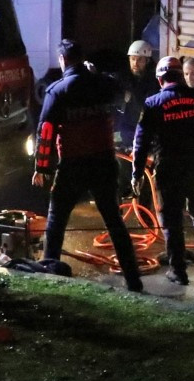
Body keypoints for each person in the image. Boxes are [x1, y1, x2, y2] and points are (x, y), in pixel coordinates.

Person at [32, 39, 142, 292]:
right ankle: (133, 279)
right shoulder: (103, 84)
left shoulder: (58, 90)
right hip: (104, 162)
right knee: (114, 221)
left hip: (73, 164)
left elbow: (46, 130)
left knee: (56, 220)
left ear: (63, 60)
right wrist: (96, 74)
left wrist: (42, 167)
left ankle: (50, 273)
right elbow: (122, 91)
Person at [132, 56, 194, 285]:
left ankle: (178, 271)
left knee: (171, 220)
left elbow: (140, 143)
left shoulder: (153, 103)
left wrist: (136, 173)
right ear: (179, 75)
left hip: (168, 169)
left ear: (160, 78)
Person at [116, 40, 159, 150]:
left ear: (147, 61)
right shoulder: (123, 79)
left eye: (140, 60)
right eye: (133, 59)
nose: (135, 63)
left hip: (146, 131)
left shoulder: (154, 81)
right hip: (127, 130)